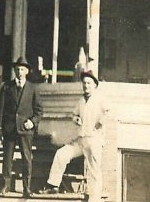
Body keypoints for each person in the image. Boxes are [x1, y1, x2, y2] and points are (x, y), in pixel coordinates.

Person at [36, 71, 106, 202]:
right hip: (80, 140)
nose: (86, 86)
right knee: (61, 154)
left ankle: (94, 198)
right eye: (84, 83)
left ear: (95, 85)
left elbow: (108, 112)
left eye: (89, 83)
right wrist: (76, 119)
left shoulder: (100, 98)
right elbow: (74, 115)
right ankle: (53, 185)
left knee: (94, 170)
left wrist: (100, 122)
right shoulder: (81, 101)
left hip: (94, 140)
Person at [0, 56, 43, 198]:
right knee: (7, 158)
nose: (19, 71)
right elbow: (0, 108)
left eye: (22, 69)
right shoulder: (7, 86)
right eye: (17, 69)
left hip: (25, 129)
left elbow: (39, 110)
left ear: (27, 71)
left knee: (26, 158)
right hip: (9, 128)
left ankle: (26, 188)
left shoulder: (33, 88)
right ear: (14, 71)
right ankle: (5, 185)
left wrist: (32, 122)